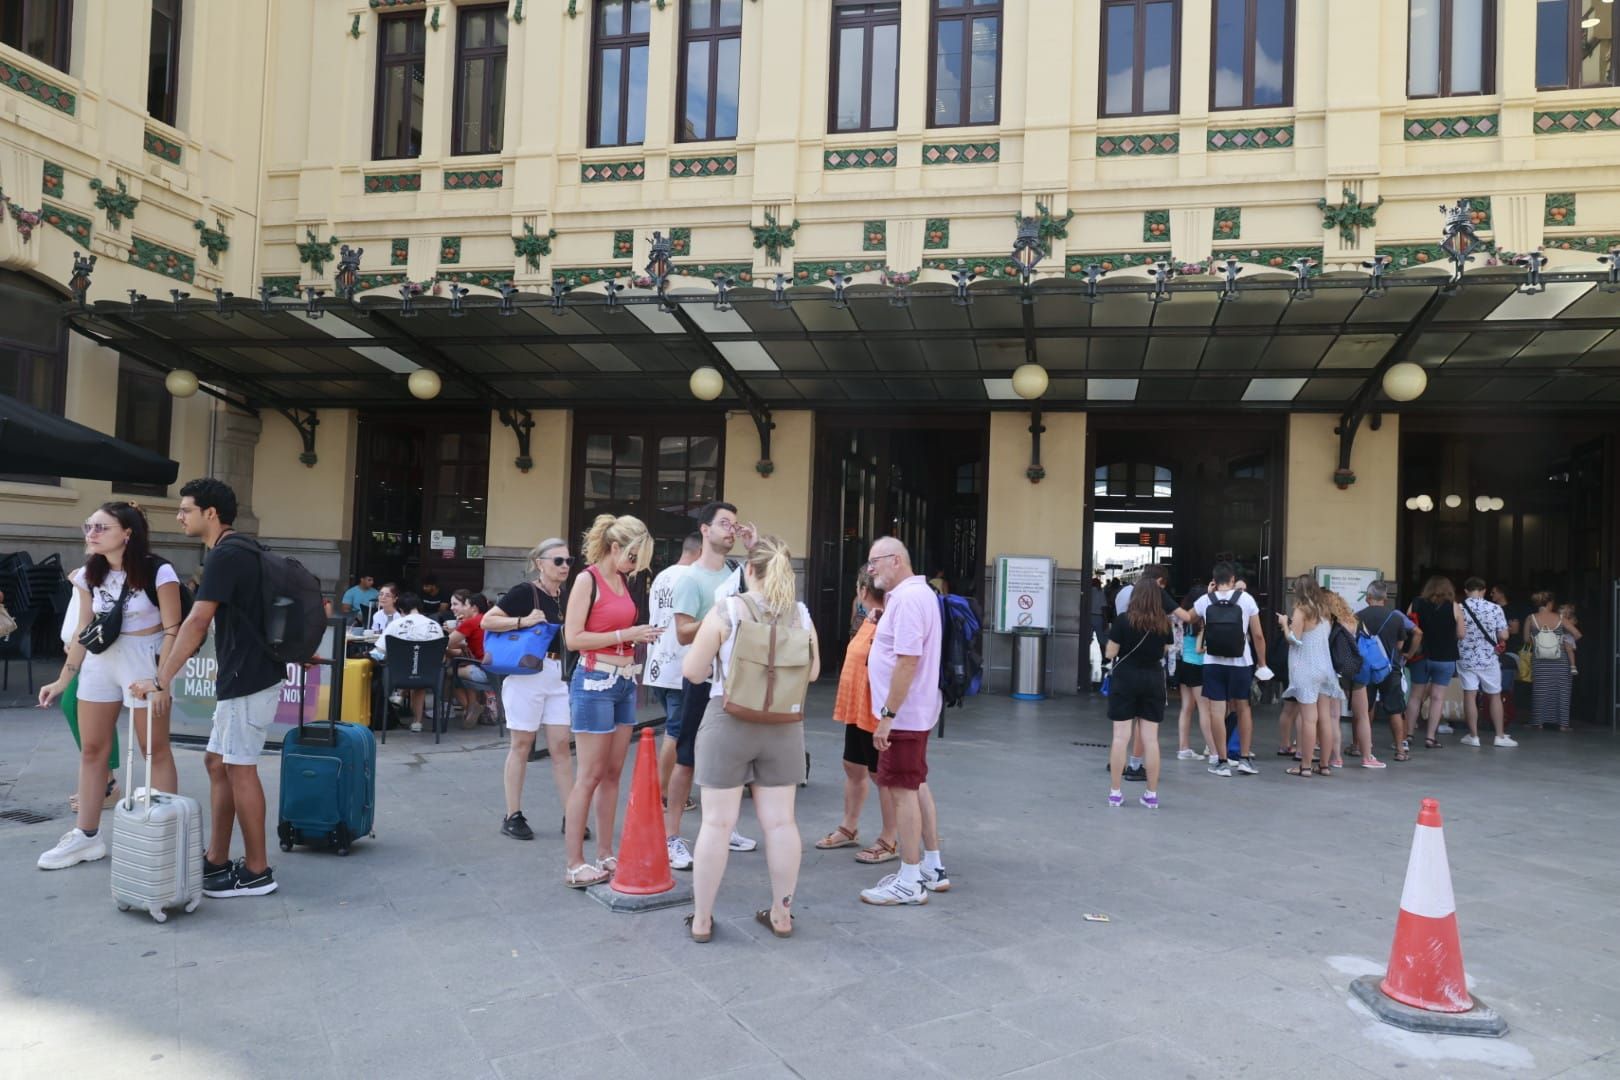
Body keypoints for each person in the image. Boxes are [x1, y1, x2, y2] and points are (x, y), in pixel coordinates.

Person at [136, 478, 284, 898]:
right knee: (217, 762)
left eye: (185, 509)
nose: (180, 516)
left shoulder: (226, 554)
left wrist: (161, 677)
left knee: (239, 767)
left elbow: (197, 622)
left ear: (210, 513)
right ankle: (217, 859)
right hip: (248, 674)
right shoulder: (241, 549)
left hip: (247, 679)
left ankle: (257, 871)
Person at [681, 536, 820, 941]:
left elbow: (692, 670)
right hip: (783, 726)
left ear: (750, 569)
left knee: (716, 823)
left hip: (728, 721)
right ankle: (781, 914)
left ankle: (703, 919)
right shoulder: (801, 616)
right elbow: (812, 673)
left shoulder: (728, 609)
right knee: (780, 824)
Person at [36, 502, 182, 871]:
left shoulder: (158, 571)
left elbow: (173, 629)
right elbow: (86, 630)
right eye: (89, 527)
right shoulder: (88, 574)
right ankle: (86, 837)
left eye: (101, 527)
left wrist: (162, 680)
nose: (92, 534)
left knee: (155, 749)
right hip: (102, 661)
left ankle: (165, 835)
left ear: (127, 533)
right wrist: (64, 678)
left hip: (145, 658)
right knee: (92, 750)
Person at [561, 515, 662, 888]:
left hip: (622, 680)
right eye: (633, 557)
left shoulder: (620, 579)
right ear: (615, 547)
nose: (635, 566)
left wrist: (636, 637)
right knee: (589, 775)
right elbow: (573, 638)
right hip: (594, 680)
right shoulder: (587, 580)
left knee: (613, 774)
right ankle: (574, 863)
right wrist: (628, 632)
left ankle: (605, 853)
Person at [665, 502, 759, 872]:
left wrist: (754, 548)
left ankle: (726, 826)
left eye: (735, 525)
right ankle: (672, 836)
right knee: (686, 755)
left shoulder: (738, 571)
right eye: (724, 524)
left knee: (730, 757)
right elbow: (683, 631)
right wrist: (722, 615)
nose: (731, 530)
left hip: (734, 678)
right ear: (704, 530)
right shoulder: (690, 578)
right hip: (701, 677)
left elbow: (766, 593)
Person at [859, 538, 948, 907]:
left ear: (896, 560)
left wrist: (888, 717)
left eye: (874, 562)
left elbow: (908, 660)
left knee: (902, 792)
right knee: (915, 784)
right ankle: (931, 866)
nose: (870, 570)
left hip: (904, 716)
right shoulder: (913, 595)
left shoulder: (910, 599)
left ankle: (910, 879)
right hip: (913, 713)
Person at [485, 539, 576, 841]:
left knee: (561, 746)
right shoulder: (526, 592)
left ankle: (571, 814)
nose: (564, 566)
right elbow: (488, 620)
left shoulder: (564, 596)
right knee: (522, 744)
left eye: (567, 561)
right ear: (540, 563)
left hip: (558, 674)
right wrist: (523, 620)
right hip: (527, 672)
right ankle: (512, 814)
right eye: (558, 561)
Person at [817, 569, 896, 857]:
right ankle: (849, 827)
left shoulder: (889, 620)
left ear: (863, 591)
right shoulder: (869, 618)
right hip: (857, 707)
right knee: (853, 766)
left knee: (881, 776)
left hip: (875, 711)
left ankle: (889, 839)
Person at [1185, 562, 1266, 777]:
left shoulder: (1205, 600)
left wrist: (1207, 593)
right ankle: (1245, 759)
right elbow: (1257, 635)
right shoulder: (1246, 599)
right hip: (1241, 663)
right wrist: (1263, 663)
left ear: (1215, 579)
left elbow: (1187, 618)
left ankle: (1221, 761)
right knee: (1243, 708)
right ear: (1232, 580)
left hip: (1213, 663)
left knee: (1216, 712)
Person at [1105, 578, 1173, 808]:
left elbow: (1110, 652)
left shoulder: (1123, 620)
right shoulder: (1164, 623)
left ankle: (1115, 792)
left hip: (1125, 678)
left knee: (1120, 737)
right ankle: (1151, 795)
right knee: (1151, 740)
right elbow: (1164, 650)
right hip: (1153, 679)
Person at [648, 532, 702, 800]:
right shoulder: (692, 578)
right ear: (700, 551)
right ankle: (663, 793)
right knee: (676, 731)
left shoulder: (662, 576)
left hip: (658, 662)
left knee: (675, 727)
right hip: (681, 665)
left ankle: (667, 789)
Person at [1278, 576, 1342, 778]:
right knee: (1325, 719)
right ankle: (1324, 765)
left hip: (1306, 669)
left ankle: (1304, 766)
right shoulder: (1325, 612)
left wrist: (1284, 624)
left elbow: (1294, 640)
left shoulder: (1301, 610)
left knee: (1308, 720)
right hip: (1325, 669)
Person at [1355, 581, 1416, 762]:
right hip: (1390, 669)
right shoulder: (1395, 618)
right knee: (1395, 709)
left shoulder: (1358, 616)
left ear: (1368, 598)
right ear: (1386, 598)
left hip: (1365, 668)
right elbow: (1399, 644)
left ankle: (1358, 746)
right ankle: (1400, 750)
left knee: (1364, 709)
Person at [1404, 575, 1466, 750]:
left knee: (1415, 696)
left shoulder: (1416, 603)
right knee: (1438, 698)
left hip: (1420, 656)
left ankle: (1408, 734)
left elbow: (1407, 626)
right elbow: (1462, 634)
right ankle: (1430, 738)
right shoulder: (1454, 607)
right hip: (1445, 658)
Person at [370, 591, 445, 732]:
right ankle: (417, 722)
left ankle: (389, 707)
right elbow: (441, 655)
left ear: (401, 610)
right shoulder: (435, 625)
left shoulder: (395, 624)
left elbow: (379, 652)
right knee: (419, 680)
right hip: (427, 676)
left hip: (398, 676)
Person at [1458, 577, 1515, 749]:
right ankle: (1499, 735)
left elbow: (1456, 633)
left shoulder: (1459, 608)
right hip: (1489, 659)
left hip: (1466, 657)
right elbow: (1504, 635)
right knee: (1494, 695)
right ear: (1483, 590)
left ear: (1466, 591)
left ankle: (1473, 736)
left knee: (1470, 695)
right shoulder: (1495, 608)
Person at [1526, 593, 1575, 732]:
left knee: (1540, 691)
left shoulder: (1531, 618)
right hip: (1560, 660)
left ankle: (1538, 722)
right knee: (1562, 691)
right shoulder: (1560, 618)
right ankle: (1563, 725)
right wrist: (1563, 640)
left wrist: (1540, 640)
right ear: (1550, 603)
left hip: (1540, 660)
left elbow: (1526, 639)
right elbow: (1577, 634)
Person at [444, 590, 491, 729]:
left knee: (448, 672)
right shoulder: (488, 619)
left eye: (466, 605)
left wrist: (452, 632)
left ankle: (470, 707)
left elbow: (447, 643)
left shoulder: (470, 623)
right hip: (498, 671)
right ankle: (472, 707)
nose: (463, 609)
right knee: (463, 666)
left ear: (474, 608)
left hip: (483, 672)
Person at [1174, 589, 1207, 761]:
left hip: (1184, 665)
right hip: (1198, 666)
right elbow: (1199, 649)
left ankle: (1183, 748)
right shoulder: (1201, 621)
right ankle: (1213, 749)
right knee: (1204, 709)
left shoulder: (1184, 619)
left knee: (1186, 708)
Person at [1087, 576, 1108, 684]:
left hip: (1088, 617)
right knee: (1101, 640)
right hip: (1099, 617)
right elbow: (1104, 607)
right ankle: (1104, 657)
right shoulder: (1101, 592)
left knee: (1087, 639)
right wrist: (1105, 621)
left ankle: (1085, 655)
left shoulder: (1088, 591)